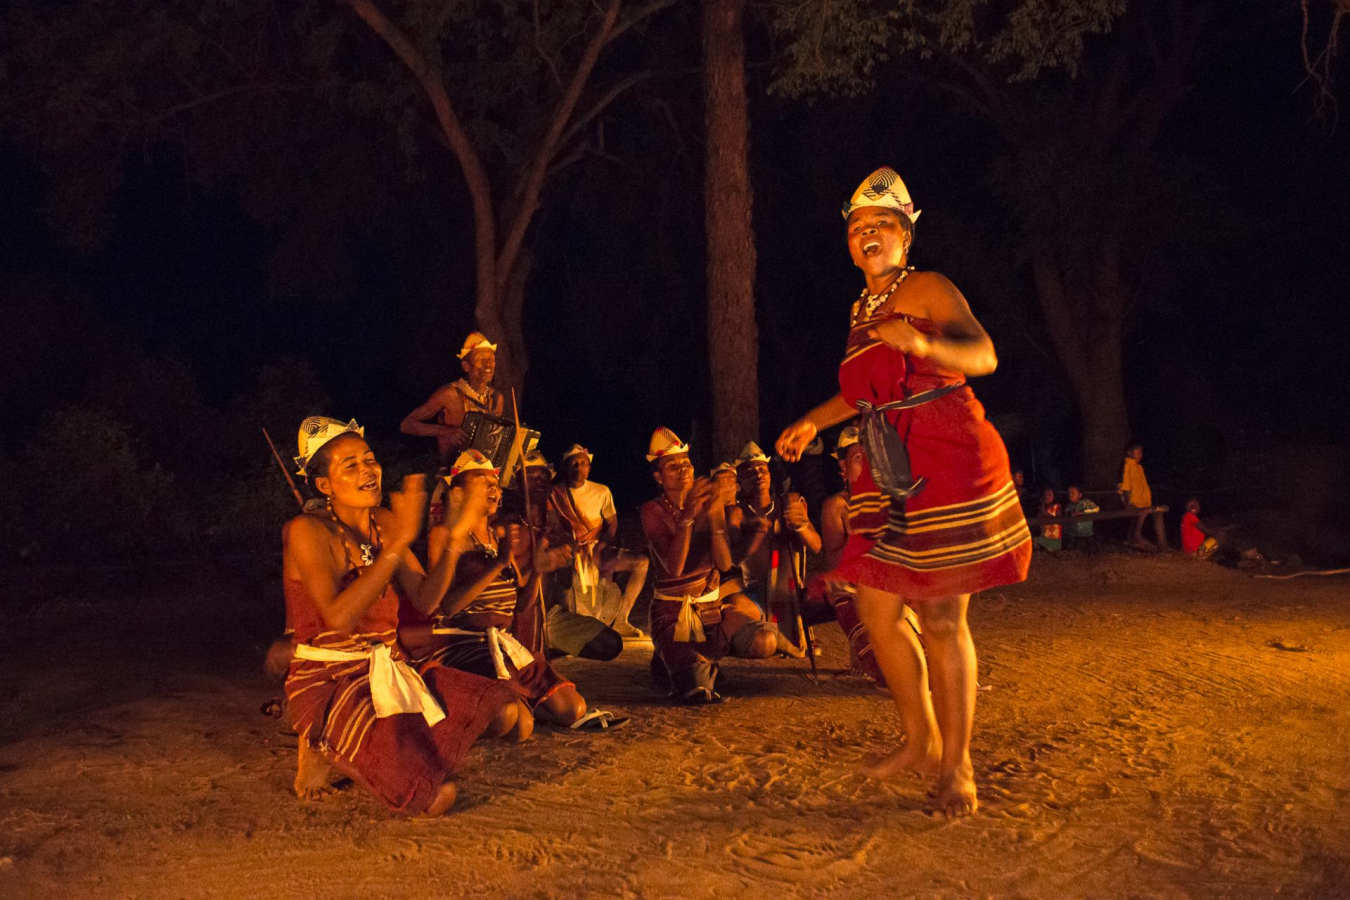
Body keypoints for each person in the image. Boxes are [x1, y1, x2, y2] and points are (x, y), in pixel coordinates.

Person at [776, 167, 1031, 817]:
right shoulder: (861, 309)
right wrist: (813, 420)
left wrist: (922, 339)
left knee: (944, 618)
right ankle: (920, 738)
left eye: (882, 225)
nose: (868, 234)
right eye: (858, 227)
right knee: (877, 608)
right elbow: (866, 388)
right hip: (890, 468)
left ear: (906, 234)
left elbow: (984, 354)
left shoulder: (925, 287)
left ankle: (957, 766)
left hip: (945, 454)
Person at [282, 417, 526, 816]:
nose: (369, 471)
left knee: (503, 712)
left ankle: (375, 743)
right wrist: (395, 548)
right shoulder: (307, 530)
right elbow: (339, 618)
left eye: (370, 459)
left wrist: (453, 534)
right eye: (351, 466)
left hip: (388, 668)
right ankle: (321, 745)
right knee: (436, 797)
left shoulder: (385, 523)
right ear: (325, 485)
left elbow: (429, 601)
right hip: (330, 679)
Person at [400, 450, 619, 730]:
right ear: (458, 493)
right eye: (482, 482)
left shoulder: (499, 534)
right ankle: (499, 705)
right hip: (464, 645)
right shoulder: (443, 534)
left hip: (503, 644)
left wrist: (539, 569)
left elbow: (521, 606)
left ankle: (522, 702)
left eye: (494, 483)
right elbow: (447, 607)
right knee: (511, 720)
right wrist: (499, 563)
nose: (492, 488)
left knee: (574, 709)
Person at [640, 427, 785, 704]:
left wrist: (716, 516)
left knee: (764, 641)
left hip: (711, 609)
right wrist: (688, 517)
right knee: (698, 689)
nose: (683, 470)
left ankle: (682, 660)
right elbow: (675, 568)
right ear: (659, 478)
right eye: (673, 466)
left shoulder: (710, 503)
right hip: (673, 612)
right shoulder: (652, 511)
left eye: (686, 463)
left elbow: (724, 562)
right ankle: (679, 659)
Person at [548, 444, 650, 641]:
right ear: (566, 468)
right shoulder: (555, 494)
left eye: (583, 463)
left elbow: (612, 523)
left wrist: (602, 546)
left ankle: (621, 619)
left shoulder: (602, 491)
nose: (579, 468)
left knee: (641, 563)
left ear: (589, 467)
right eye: (574, 464)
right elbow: (553, 528)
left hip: (598, 549)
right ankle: (574, 628)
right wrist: (572, 547)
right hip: (569, 552)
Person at [724, 441, 813, 655]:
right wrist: (757, 533)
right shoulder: (736, 513)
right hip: (753, 592)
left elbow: (816, 545)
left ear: (770, 474)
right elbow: (734, 559)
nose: (758, 474)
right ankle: (780, 638)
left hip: (786, 593)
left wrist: (801, 526)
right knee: (732, 611)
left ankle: (783, 632)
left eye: (762, 469)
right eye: (749, 471)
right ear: (740, 481)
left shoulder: (787, 503)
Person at [400, 332, 506, 464]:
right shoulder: (450, 394)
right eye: (481, 359)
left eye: (491, 359)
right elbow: (407, 425)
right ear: (466, 366)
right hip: (453, 473)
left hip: (484, 470)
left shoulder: (496, 398)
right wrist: (446, 431)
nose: (488, 364)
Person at [1118, 443, 1169, 551]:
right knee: (1141, 514)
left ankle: (1132, 538)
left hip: (1142, 500)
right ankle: (1137, 536)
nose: (1140, 454)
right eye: (1137, 451)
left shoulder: (1139, 467)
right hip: (1135, 501)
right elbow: (1126, 485)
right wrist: (1127, 503)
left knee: (1140, 516)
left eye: (1141, 452)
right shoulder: (1128, 465)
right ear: (1129, 453)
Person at [1063, 484, 1100, 552]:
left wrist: (1081, 513)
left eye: (1073, 493)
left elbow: (1096, 509)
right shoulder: (1069, 506)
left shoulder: (1086, 502)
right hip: (1073, 534)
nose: (1070, 495)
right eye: (1069, 493)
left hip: (1086, 533)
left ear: (1080, 495)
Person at [1034, 488, 1063, 552]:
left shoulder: (1057, 507)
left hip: (1054, 539)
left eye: (1049, 495)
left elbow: (1057, 519)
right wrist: (1042, 506)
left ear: (1054, 496)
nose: (1046, 497)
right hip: (1044, 536)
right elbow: (1038, 520)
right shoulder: (1041, 508)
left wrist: (1044, 512)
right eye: (1045, 495)